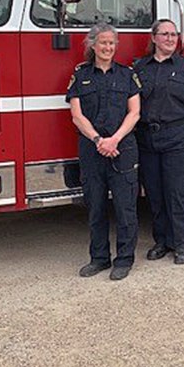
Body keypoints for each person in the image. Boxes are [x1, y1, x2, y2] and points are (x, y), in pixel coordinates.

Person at [134, 19, 184, 265]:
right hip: (148, 139)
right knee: (155, 194)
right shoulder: (139, 68)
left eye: (173, 34)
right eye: (165, 34)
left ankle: (180, 245)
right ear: (154, 37)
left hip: (179, 137)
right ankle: (161, 242)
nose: (170, 38)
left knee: (177, 193)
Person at [66, 22, 142, 281]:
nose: (108, 47)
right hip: (92, 150)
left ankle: (124, 259)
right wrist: (99, 140)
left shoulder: (126, 75)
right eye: (103, 43)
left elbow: (135, 112)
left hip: (123, 149)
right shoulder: (80, 75)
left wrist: (115, 139)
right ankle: (99, 258)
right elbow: (77, 116)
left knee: (125, 208)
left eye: (112, 43)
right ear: (93, 45)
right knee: (96, 208)